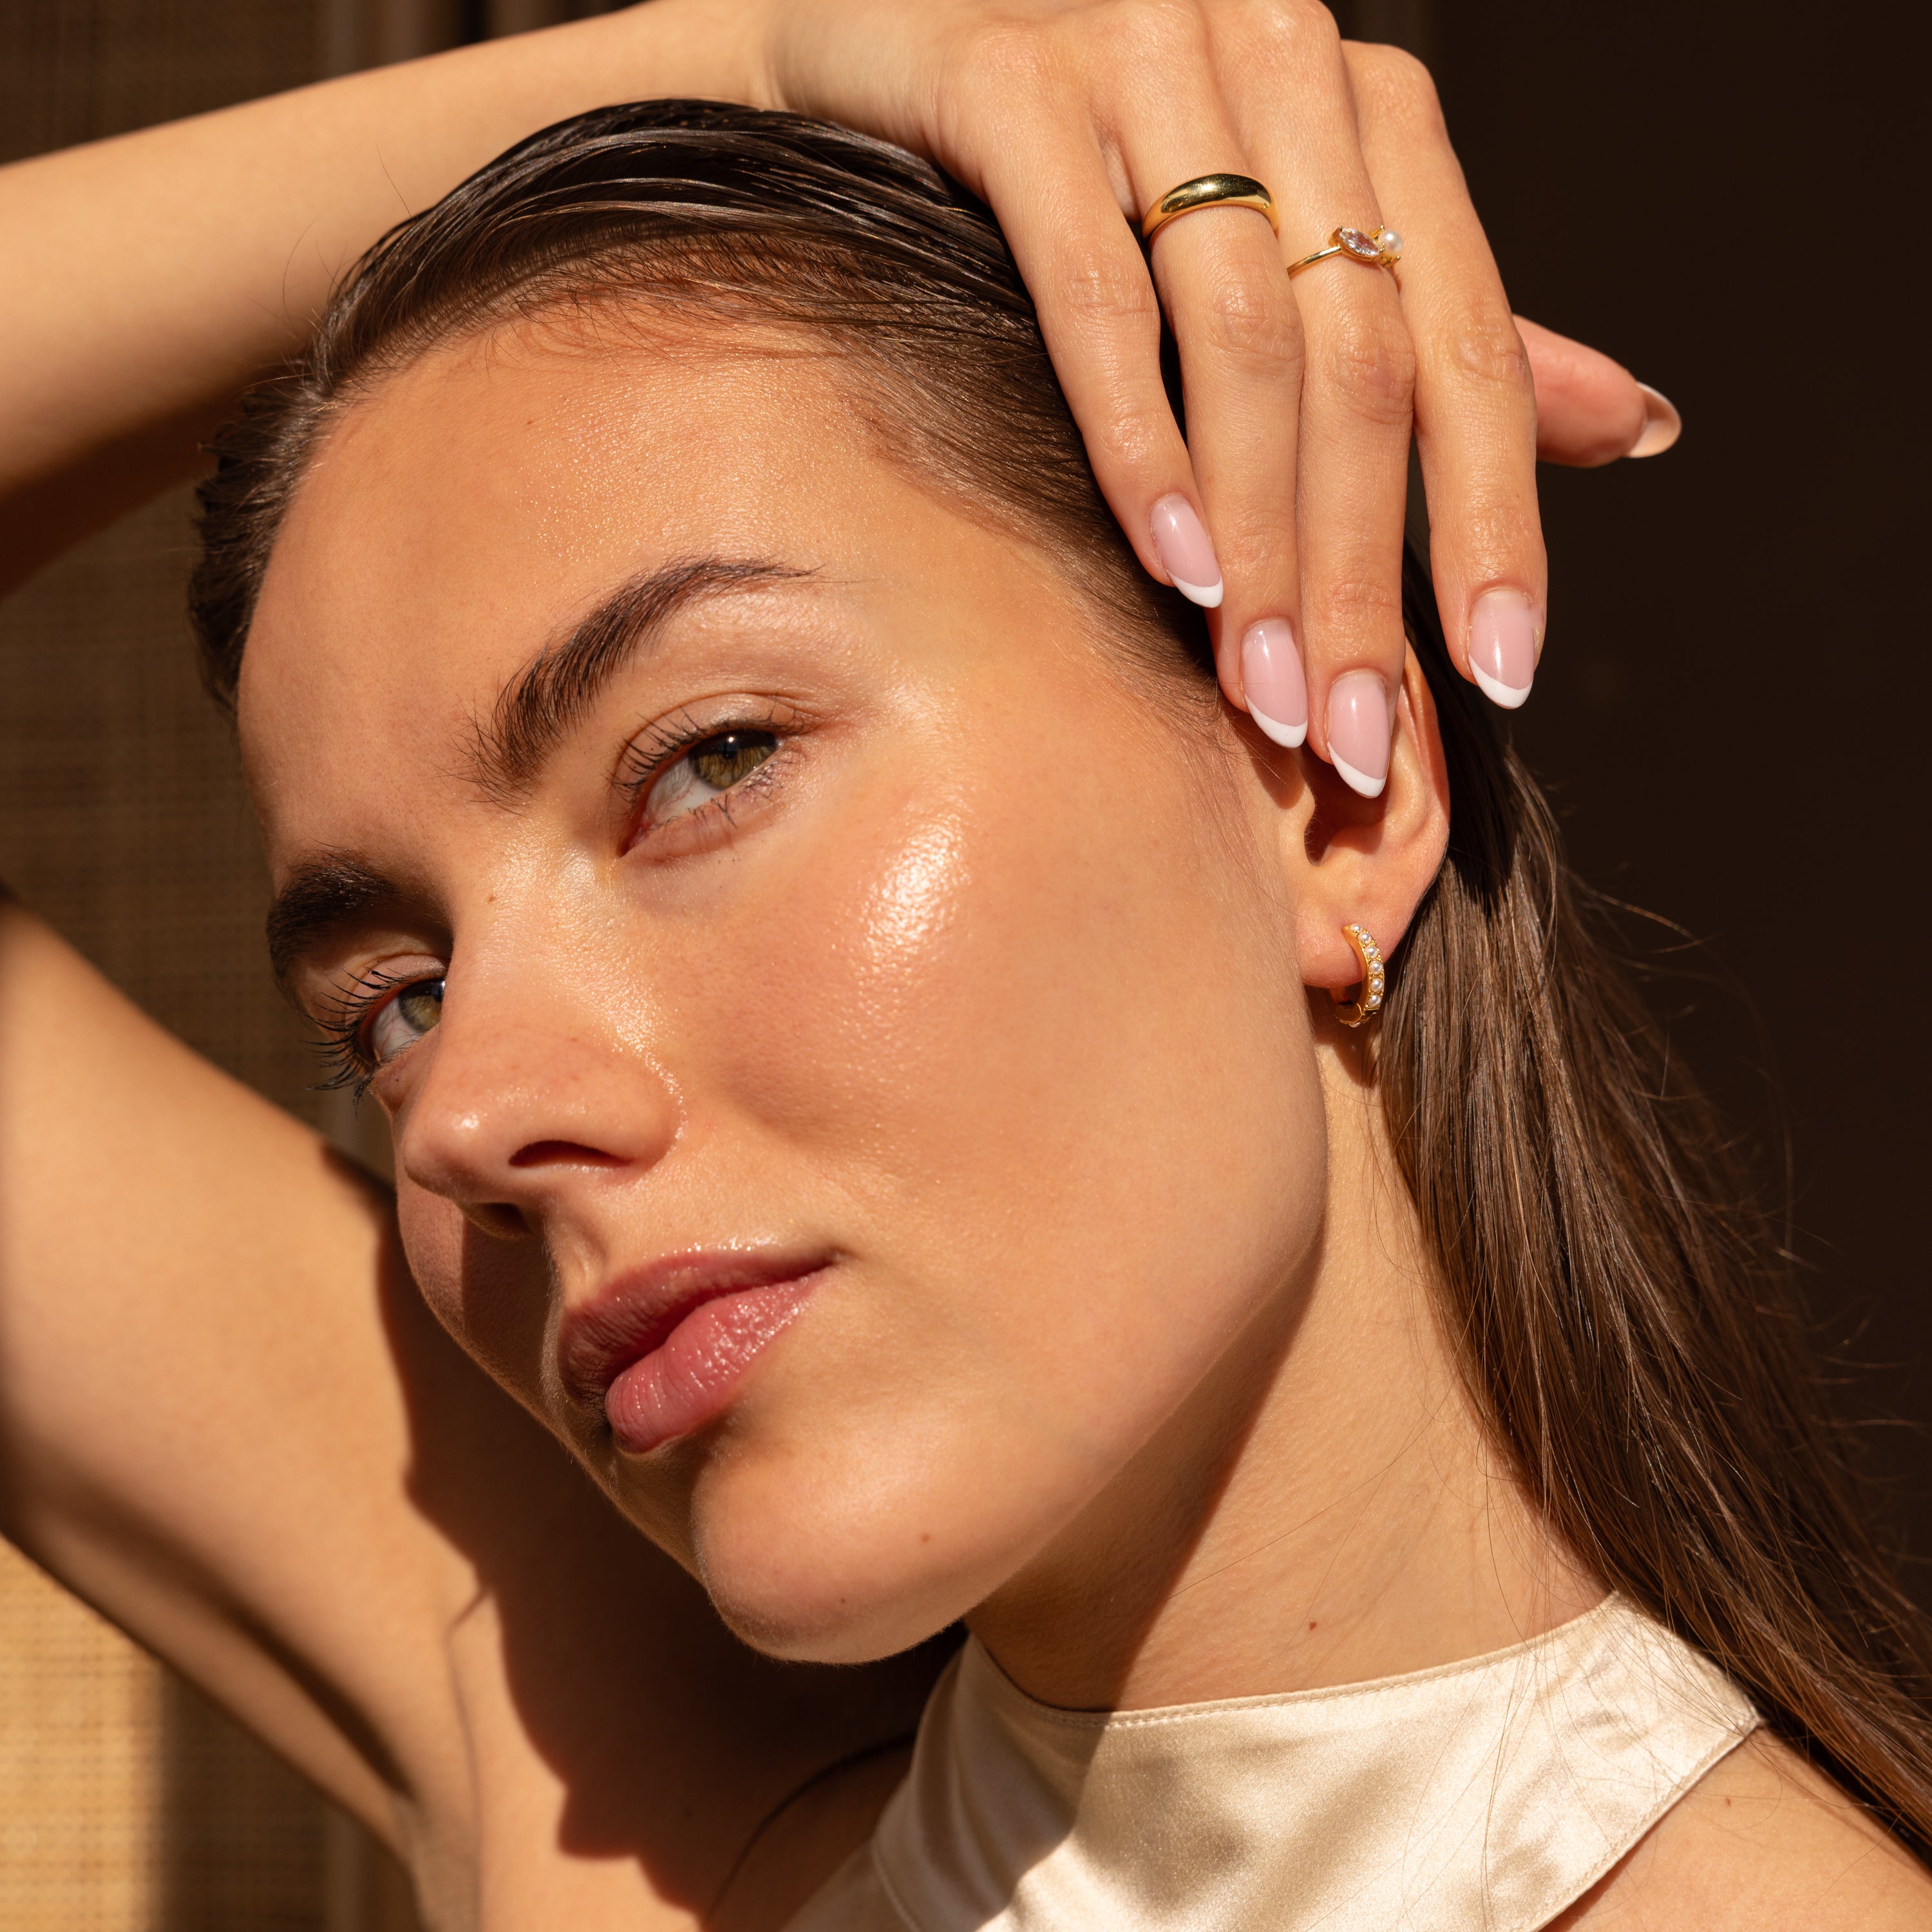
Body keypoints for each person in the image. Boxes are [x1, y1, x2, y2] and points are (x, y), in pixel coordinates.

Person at [10, 14, 1886, 1932]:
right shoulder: (630, 1846)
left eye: (710, 761)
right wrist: (765, 52)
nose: (471, 1114)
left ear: (1331, 791)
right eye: (394, 1005)